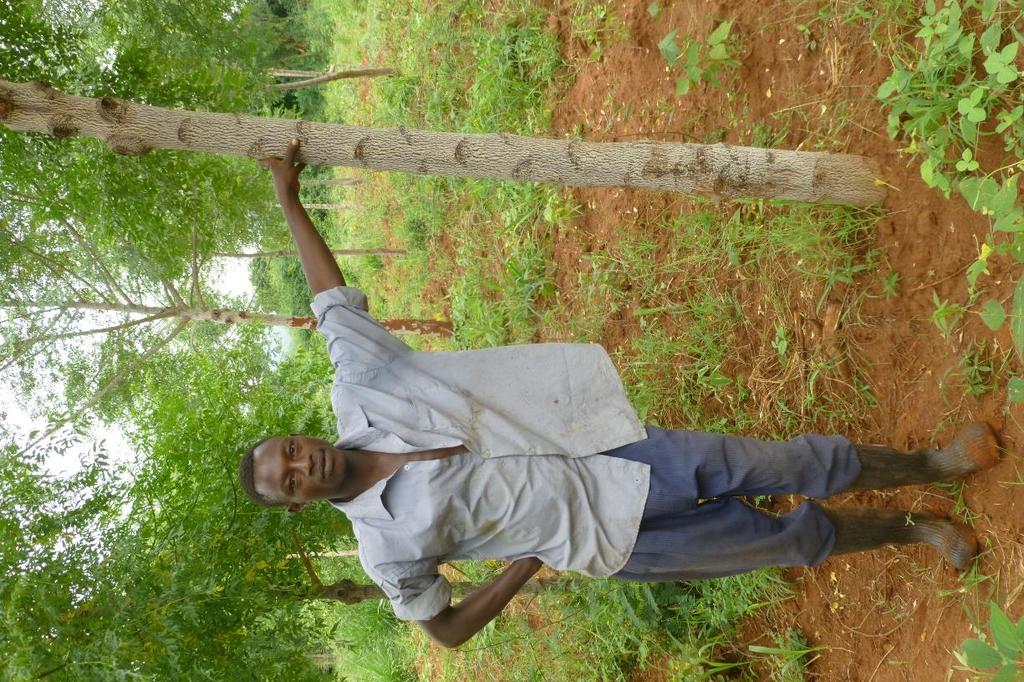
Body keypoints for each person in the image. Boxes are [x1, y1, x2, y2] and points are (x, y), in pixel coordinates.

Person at [239, 140, 999, 649]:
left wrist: (286, 196)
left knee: (784, 462)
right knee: (779, 542)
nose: (299, 464)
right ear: (300, 501)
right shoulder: (385, 548)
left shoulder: (363, 387)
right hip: (607, 539)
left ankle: (932, 463)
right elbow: (444, 630)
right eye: (289, 481)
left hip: (610, 444)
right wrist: (529, 560)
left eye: (287, 452)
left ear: (296, 437)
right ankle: (915, 530)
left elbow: (331, 301)